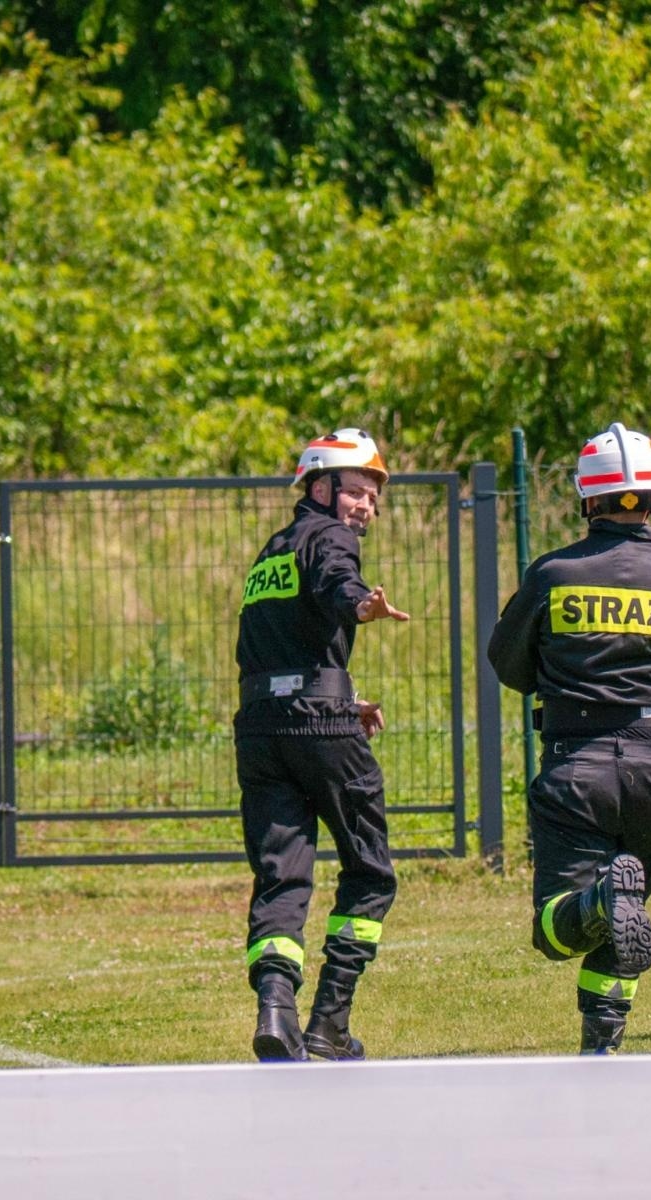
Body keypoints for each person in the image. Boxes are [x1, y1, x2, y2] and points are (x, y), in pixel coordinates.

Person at [486, 422, 651, 1054]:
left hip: (575, 767)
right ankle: (602, 1046)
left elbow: (508, 666)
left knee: (557, 927)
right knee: (631, 908)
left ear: (587, 497)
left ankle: (599, 903)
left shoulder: (552, 574)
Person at [235, 427, 410, 1062]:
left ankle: (275, 1006)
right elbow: (338, 583)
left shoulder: (272, 553)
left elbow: (282, 645)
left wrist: (344, 697)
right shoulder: (331, 538)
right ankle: (329, 1024)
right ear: (319, 486)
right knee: (370, 871)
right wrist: (362, 605)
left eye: (373, 498)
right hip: (319, 730)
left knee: (280, 875)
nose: (366, 507)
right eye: (357, 491)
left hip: (261, 728)